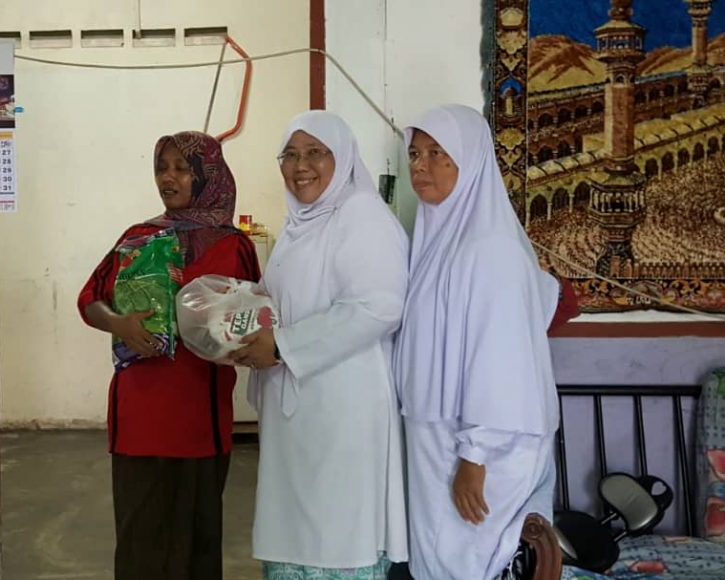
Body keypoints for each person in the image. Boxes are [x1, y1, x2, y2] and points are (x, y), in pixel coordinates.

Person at [230, 111, 410, 578]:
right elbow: (281, 300)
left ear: (343, 158)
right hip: (296, 409)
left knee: (338, 530)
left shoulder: (362, 216)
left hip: (342, 408)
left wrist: (283, 344)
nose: (299, 165)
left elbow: (380, 306)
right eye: (290, 154)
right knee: (297, 532)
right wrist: (238, 324)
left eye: (315, 153)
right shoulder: (297, 225)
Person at [77, 131, 260, 579]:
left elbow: (254, 318)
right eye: (162, 167)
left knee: (195, 541)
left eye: (182, 168)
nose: (169, 178)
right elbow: (90, 300)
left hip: (199, 421)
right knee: (141, 541)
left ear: (206, 176)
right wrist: (118, 323)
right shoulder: (138, 239)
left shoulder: (234, 246)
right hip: (139, 419)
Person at [394, 104, 560, 580]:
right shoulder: (437, 240)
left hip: (482, 446)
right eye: (414, 154)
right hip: (439, 438)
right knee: (441, 564)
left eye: (436, 153)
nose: (419, 166)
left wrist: (476, 456)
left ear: (470, 161)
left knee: (473, 562)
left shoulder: (491, 248)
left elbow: (501, 361)